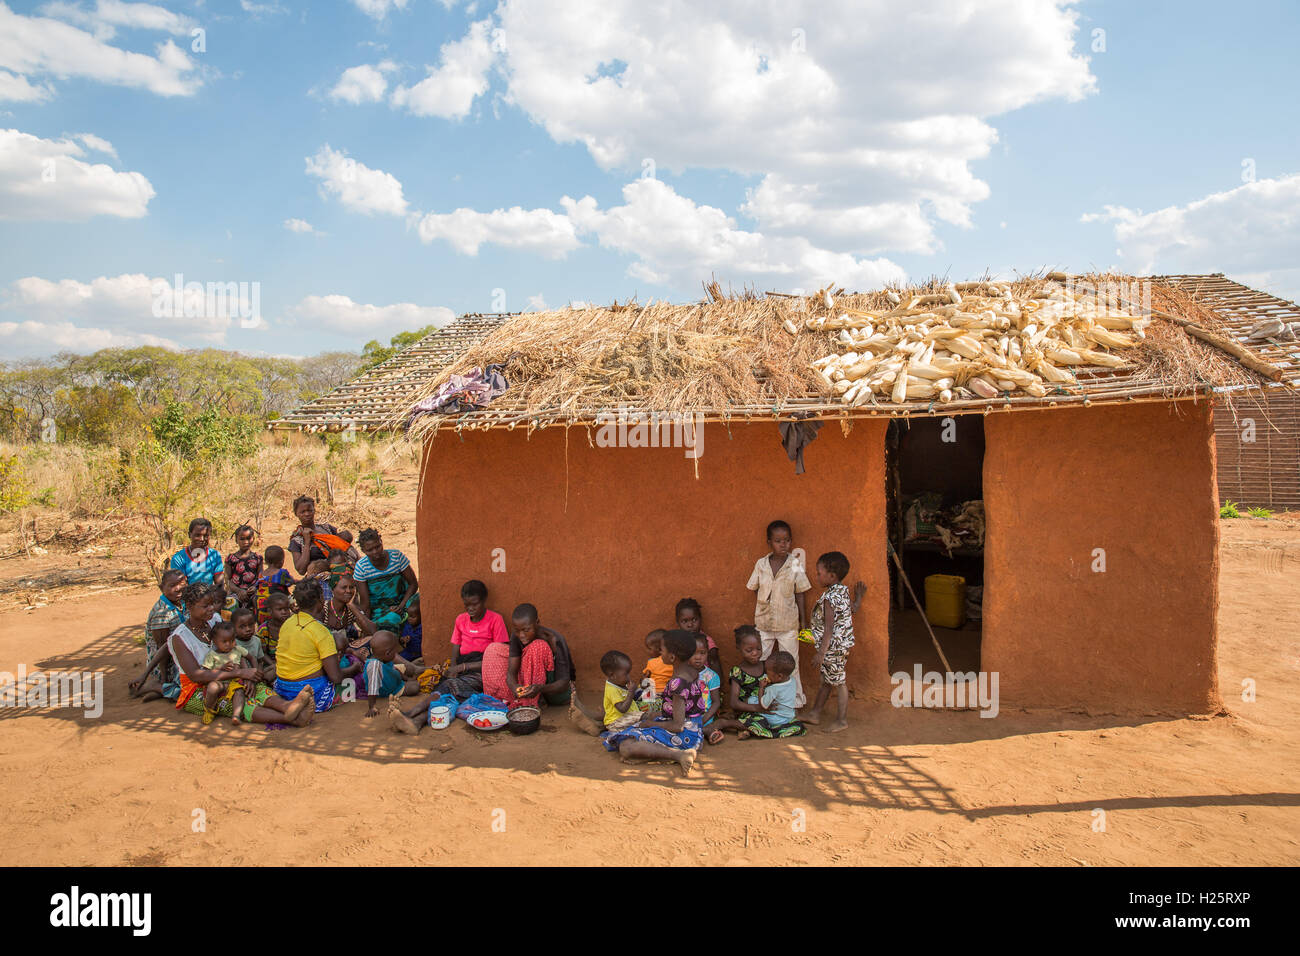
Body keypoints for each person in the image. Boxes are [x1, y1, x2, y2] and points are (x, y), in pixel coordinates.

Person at [130, 582, 313, 726]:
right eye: (205, 606)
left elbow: (234, 648)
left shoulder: (215, 620)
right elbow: (196, 675)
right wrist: (240, 673)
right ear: (190, 607)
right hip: (199, 689)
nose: (211, 609)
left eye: (212, 604)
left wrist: (246, 676)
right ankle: (290, 718)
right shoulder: (180, 637)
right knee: (237, 704)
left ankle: (288, 707)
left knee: (256, 689)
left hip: (228, 677)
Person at [602, 629, 705, 775]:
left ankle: (679, 755)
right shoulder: (692, 671)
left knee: (626, 746)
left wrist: (652, 724)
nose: (659, 652)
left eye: (662, 650)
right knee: (641, 722)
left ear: (672, 657)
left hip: (685, 736)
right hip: (695, 729)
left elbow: (677, 725)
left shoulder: (678, 683)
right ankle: (653, 753)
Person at [746, 519, 812, 707]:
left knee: (792, 664)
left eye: (787, 540)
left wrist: (803, 621)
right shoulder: (761, 564)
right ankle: (756, 700)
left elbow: (800, 592)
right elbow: (754, 588)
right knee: (760, 662)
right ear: (769, 542)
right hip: (764, 624)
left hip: (788, 624)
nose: (783, 544)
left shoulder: (795, 563)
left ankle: (796, 702)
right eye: (778, 540)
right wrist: (761, 608)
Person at [803, 551, 866, 733]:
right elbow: (852, 609)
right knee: (827, 680)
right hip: (840, 646)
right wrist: (859, 597)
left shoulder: (830, 599)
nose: (817, 576)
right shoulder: (843, 591)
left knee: (838, 682)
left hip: (833, 648)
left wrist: (821, 653)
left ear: (831, 576)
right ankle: (814, 714)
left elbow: (829, 628)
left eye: (819, 573)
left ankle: (841, 720)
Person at [274, 579, 348, 712]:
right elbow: (336, 677)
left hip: (282, 689)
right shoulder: (321, 632)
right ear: (321, 599)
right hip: (313, 691)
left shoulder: (287, 623)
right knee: (351, 684)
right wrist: (354, 669)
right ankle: (305, 704)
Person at [438, 579, 507, 699]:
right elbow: (456, 646)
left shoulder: (495, 620)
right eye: (466, 605)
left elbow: (498, 659)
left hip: (483, 669)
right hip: (462, 667)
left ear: (484, 600)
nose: (470, 608)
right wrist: (454, 668)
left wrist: (464, 667)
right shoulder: (460, 619)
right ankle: (416, 713)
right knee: (444, 685)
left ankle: (414, 713)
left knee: (449, 687)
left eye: (475, 604)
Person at [133, 569, 187, 702]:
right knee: (189, 691)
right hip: (165, 663)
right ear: (162, 588)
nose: (178, 589)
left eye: (181, 584)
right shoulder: (162, 613)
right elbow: (163, 647)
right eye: (172, 586)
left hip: (179, 654)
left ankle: (162, 690)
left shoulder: (182, 602)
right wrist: (164, 677)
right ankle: (158, 687)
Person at [506, 604, 574, 706]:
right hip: (532, 687)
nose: (521, 635)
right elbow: (511, 672)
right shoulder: (517, 635)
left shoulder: (554, 639)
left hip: (556, 689)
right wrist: (515, 687)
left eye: (526, 630)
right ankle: (527, 700)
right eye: (517, 631)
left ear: (537, 623)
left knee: (538, 647)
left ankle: (535, 702)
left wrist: (540, 688)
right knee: (494, 650)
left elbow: (563, 683)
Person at [360, 631, 439, 717]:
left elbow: (394, 670)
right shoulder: (374, 666)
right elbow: (372, 687)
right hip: (391, 690)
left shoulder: (383, 658)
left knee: (402, 670)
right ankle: (411, 676)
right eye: (395, 651)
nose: (396, 653)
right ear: (387, 653)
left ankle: (413, 672)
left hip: (394, 681)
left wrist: (406, 678)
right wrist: (372, 707)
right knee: (415, 687)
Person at [352, 529, 418, 628]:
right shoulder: (361, 567)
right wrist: (367, 625)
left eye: (377, 546)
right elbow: (365, 602)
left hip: (404, 601)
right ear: (363, 551)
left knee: (419, 605)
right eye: (370, 550)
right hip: (379, 609)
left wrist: (401, 606)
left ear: (381, 541)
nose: (375, 552)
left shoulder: (396, 556)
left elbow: (413, 584)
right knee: (391, 618)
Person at [735, 651, 807, 739]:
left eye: (768, 673)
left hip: (774, 719)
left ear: (779, 676)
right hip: (788, 717)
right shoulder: (792, 680)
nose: (766, 674)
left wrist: (761, 688)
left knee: (750, 700)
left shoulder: (773, 689)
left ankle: (748, 728)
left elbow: (763, 706)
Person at [200, 622, 252, 725]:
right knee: (212, 687)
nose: (228, 644)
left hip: (233, 682)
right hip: (218, 681)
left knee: (239, 691)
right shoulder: (212, 655)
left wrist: (249, 677)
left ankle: (236, 715)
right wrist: (221, 668)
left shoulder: (236, 651)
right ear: (214, 641)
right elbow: (205, 672)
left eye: (231, 641)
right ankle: (210, 710)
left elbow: (247, 660)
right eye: (224, 642)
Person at [287, 495, 352, 576]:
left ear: (314, 510)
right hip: (316, 580)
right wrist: (307, 542)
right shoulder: (296, 540)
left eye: (309, 510)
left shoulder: (328, 529)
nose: (307, 514)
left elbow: (344, 546)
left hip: (339, 574)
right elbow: (301, 570)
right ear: (296, 514)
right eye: (302, 512)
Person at [169, 518, 224, 589]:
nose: (202, 539)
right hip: (187, 598)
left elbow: (219, 585)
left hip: (210, 597)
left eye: (206, 536)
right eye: (197, 535)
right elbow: (182, 587)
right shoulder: (179, 558)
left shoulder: (214, 555)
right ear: (189, 535)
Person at [726, 625, 766, 723]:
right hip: (747, 711)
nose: (755, 653)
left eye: (759, 649)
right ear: (738, 648)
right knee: (759, 722)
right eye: (749, 650)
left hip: (764, 708)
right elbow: (734, 703)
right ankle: (726, 724)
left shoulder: (767, 666)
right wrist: (757, 708)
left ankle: (743, 729)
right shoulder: (738, 672)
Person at [322, 574, 377, 644]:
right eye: (344, 587)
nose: (348, 591)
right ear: (333, 590)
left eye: (351, 587)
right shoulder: (323, 608)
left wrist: (352, 606)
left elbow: (373, 632)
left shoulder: (352, 610)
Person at [599, 650, 643, 731]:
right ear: (612, 675)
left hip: (627, 717)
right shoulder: (612, 690)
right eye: (626, 674)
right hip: (617, 722)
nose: (629, 677)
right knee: (645, 718)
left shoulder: (619, 683)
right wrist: (631, 692)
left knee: (648, 710)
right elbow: (622, 709)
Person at [674, 597, 720, 674]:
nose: (690, 625)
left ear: (700, 619)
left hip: (705, 683)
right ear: (678, 622)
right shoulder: (678, 642)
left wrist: (717, 684)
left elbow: (716, 668)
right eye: (684, 621)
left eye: (694, 620)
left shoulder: (708, 643)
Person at [693, 634, 723, 745]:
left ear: (707, 653)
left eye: (702, 653)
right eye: (694, 653)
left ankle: (705, 730)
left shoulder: (711, 676)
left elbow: (716, 702)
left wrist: (703, 720)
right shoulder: (683, 675)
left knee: (696, 727)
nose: (698, 657)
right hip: (685, 716)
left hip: (705, 716)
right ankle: (705, 732)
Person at [224, 525, 262, 610]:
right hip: (236, 592)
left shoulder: (257, 558)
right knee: (230, 603)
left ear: (253, 539)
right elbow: (228, 580)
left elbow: (261, 577)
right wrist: (239, 591)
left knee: (260, 601)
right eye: (242, 539)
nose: (246, 542)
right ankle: (230, 623)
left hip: (253, 591)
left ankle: (261, 623)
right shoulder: (230, 559)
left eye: (249, 538)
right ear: (236, 540)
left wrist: (255, 588)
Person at [255, 545, 295, 625]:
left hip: (261, 610)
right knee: (288, 595)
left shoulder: (261, 574)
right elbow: (290, 582)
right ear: (281, 561)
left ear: (266, 561)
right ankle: (294, 609)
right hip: (276, 607)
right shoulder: (282, 573)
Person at [231, 607, 272, 675]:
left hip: (255, 674)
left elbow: (260, 661)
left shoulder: (257, 641)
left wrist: (259, 672)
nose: (248, 629)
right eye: (242, 626)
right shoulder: (232, 643)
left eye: (251, 625)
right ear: (233, 628)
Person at [256, 591, 293, 660]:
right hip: (271, 662)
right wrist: (273, 664)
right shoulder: (263, 630)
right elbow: (262, 653)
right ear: (270, 611)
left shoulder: (292, 625)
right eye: (279, 609)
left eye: (286, 609)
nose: (284, 612)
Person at [641, 629, 672, 704]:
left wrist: (643, 683)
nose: (647, 651)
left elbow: (645, 680)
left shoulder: (651, 662)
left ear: (659, 650)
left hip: (653, 694)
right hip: (669, 694)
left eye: (649, 648)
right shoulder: (672, 661)